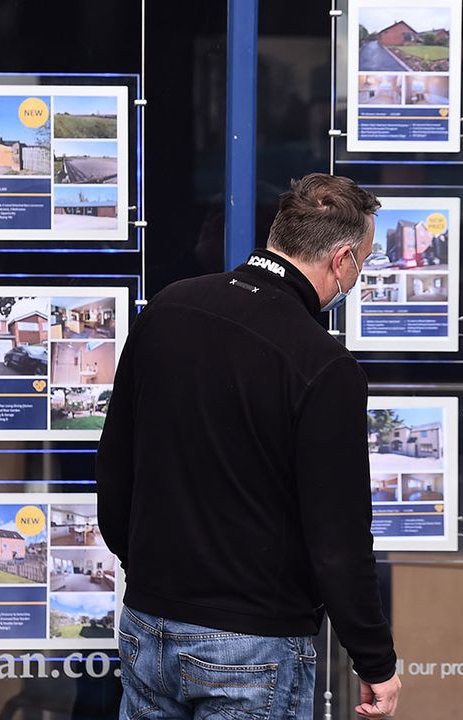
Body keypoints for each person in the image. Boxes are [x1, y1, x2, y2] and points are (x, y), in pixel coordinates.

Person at [97, 173, 400, 720]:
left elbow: (115, 463)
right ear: (343, 259)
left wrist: (145, 570)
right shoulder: (323, 365)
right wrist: (375, 661)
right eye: (364, 264)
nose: (357, 278)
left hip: (149, 623)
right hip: (253, 643)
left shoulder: (169, 309)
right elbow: (339, 537)